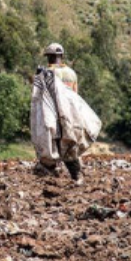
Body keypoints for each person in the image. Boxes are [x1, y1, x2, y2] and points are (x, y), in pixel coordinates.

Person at [35, 43, 83, 182]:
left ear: (49, 56)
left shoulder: (48, 72)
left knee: (52, 144)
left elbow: (41, 95)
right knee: (69, 145)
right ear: (61, 56)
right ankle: (76, 175)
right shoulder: (71, 73)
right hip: (70, 115)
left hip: (55, 115)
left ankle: (51, 171)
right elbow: (75, 95)